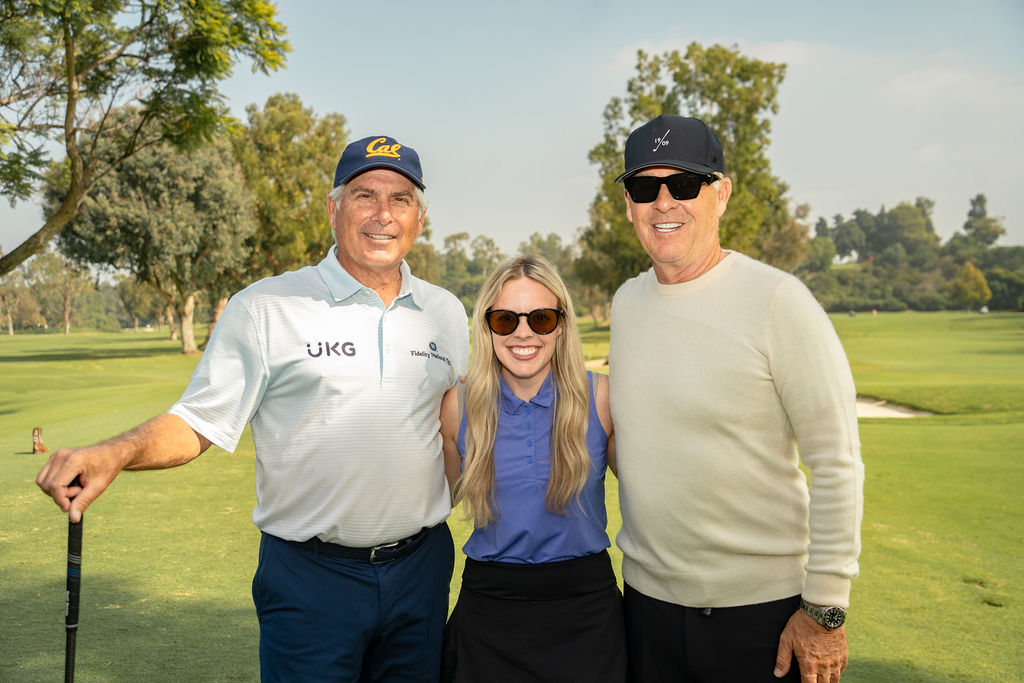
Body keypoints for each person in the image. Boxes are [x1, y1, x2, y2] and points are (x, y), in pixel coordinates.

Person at [36, 134, 470, 681]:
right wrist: (116, 452)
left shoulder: (445, 312)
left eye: (400, 199)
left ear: (418, 220)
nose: (383, 214)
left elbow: (454, 429)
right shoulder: (265, 306)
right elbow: (199, 420)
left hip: (421, 571)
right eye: (364, 195)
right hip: (311, 577)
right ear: (333, 209)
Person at [609, 114, 864, 682]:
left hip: (761, 616)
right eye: (645, 188)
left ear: (720, 194)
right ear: (629, 204)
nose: (664, 202)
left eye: (684, 184)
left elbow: (836, 461)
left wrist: (825, 609)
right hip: (646, 609)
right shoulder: (626, 304)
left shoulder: (779, 301)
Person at [440, 256, 626, 682]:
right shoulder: (458, 406)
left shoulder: (603, 398)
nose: (523, 333)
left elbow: (653, 500)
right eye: (505, 319)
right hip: (489, 616)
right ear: (487, 327)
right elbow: (432, 505)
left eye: (540, 318)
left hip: (587, 616)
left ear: (561, 325)